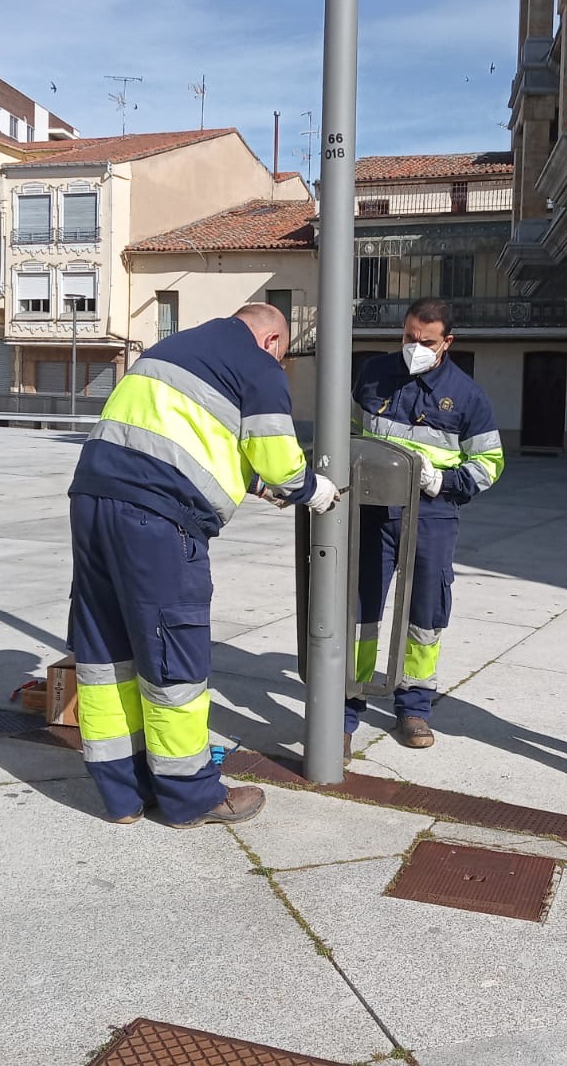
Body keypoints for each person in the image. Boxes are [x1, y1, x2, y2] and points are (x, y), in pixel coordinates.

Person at [68, 303, 339, 828]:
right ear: (273, 341)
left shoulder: (173, 349)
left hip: (92, 501)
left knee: (106, 652)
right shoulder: (258, 363)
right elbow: (280, 458)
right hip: (157, 521)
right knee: (175, 659)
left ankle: (122, 795)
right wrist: (313, 490)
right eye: (282, 354)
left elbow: (185, 438)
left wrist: (251, 483)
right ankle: (191, 797)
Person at [347, 297, 504, 761]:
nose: (415, 347)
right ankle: (346, 706)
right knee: (360, 610)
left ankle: (413, 707)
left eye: (427, 341)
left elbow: (490, 463)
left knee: (426, 613)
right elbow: (350, 431)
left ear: (447, 342)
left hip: (432, 513)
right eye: (409, 337)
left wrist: (444, 481)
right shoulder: (374, 373)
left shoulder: (468, 396)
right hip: (371, 511)